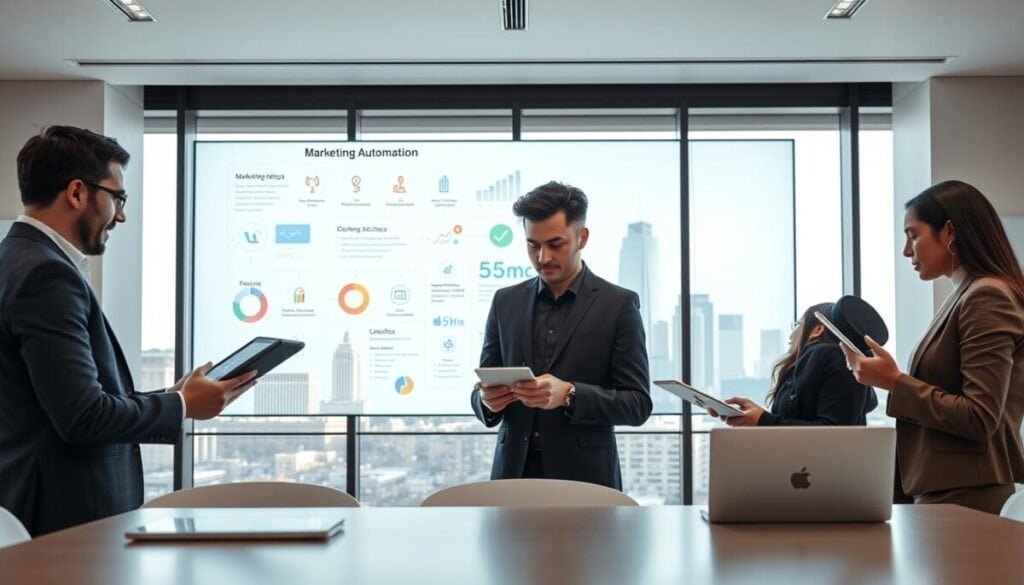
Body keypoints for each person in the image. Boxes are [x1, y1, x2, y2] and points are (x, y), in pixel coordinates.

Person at [0, 126, 257, 536]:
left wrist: (177, 397)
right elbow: (83, 417)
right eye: (117, 198)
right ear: (77, 193)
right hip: (61, 521)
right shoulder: (45, 275)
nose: (121, 215)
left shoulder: (16, 260)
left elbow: (63, 404)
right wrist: (182, 405)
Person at [843, 180, 1024, 514]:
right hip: (950, 491)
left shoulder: (986, 296)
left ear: (950, 232)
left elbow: (980, 416)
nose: (906, 251)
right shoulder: (966, 295)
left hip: (968, 495)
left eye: (913, 235)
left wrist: (894, 382)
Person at [470, 181, 652, 490]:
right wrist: (486, 401)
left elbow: (637, 405)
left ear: (582, 237)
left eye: (555, 244)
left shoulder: (618, 304)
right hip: (512, 477)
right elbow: (482, 390)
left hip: (586, 482)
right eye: (532, 245)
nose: (542, 257)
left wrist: (569, 393)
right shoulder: (505, 301)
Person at [718, 299, 881, 427]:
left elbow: (834, 432)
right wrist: (758, 417)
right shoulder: (821, 361)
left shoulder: (826, 355)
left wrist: (763, 420)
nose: (791, 335)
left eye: (797, 325)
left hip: (815, 467)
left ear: (818, 329)